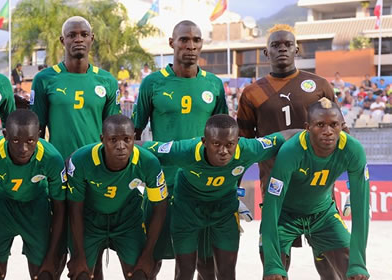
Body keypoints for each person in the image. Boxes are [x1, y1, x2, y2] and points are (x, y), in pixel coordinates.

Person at [236, 24, 340, 279]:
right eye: (275, 45)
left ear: (297, 49)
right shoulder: (252, 93)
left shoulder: (319, 85)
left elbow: (340, 137)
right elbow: (243, 147)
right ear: (265, 52)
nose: (282, 49)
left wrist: (344, 183)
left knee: (329, 264)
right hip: (275, 189)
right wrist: (233, 191)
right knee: (274, 265)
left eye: (287, 44)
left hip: (318, 188)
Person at [141, 114, 300, 279]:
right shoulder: (186, 150)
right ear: (204, 142)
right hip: (187, 210)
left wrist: (311, 133)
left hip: (224, 210)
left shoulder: (249, 149)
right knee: (184, 272)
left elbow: (285, 136)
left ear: (237, 141)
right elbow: (145, 147)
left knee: (227, 273)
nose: (223, 151)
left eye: (229, 144)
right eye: (216, 144)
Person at [132, 20, 228, 279]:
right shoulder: (152, 83)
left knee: (204, 263)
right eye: (184, 40)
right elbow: (134, 134)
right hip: (163, 184)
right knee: (150, 259)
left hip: (203, 186)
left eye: (196, 40)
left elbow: (225, 138)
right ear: (172, 43)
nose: (190, 45)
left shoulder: (214, 85)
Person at [261, 98, 370, 280]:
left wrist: (358, 263)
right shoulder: (291, 151)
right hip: (284, 216)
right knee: (274, 276)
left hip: (323, 215)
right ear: (307, 127)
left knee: (356, 275)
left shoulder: (353, 150)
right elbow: (272, 205)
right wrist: (272, 264)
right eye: (320, 124)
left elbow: (361, 208)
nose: (328, 131)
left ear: (342, 126)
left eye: (333, 124)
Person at [67, 114, 167, 280]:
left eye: (127, 139)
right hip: (90, 219)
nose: (121, 146)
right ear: (102, 139)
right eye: (113, 139)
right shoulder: (81, 160)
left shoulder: (148, 162)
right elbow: (75, 209)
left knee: (141, 274)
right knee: (82, 274)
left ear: (134, 138)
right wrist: (78, 254)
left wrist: (148, 254)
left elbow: (160, 207)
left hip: (127, 218)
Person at [0, 109, 66, 280]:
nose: (23, 148)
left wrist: (52, 253)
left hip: (35, 205)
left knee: (44, 274)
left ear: (39, 136)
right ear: (5, 135)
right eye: (16, 140)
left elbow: (59, 208)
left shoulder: (52, 158)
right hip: (0, 204)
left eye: (30, 141)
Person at [30, 16, 121, 159]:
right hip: (58, 163)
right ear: (62, 40)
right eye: (72, 35)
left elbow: (114, 133)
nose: (78, 39)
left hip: (95, 165)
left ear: (92, 38)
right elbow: (37, 131)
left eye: (84, 35)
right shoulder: (44, 79)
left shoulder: (107, 81)